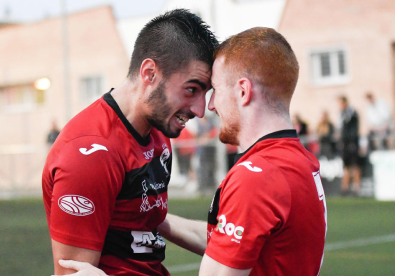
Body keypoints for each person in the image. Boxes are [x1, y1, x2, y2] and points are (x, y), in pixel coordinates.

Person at [60, 27, 327, 276]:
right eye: (194, 90)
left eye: (215, 90)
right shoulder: (302, 163)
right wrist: (147, 215)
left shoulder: (256, 177)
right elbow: (231, 239)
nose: (208, 106)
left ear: (243, 91)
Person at [42, 9, 218, 276]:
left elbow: (149, 220)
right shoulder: (90, 153)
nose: (200, 109)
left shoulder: (159, 133)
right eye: (191, 89)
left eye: (205, 93)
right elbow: (72, 273)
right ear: (149, 73)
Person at [338, 96, 361, 196]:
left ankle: (356, 188)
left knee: (355, 165)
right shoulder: (342, 114)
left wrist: (353, 141)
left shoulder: (351, 113)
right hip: (345, 144)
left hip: (352, 143)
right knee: (346, 166)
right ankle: (345, 188)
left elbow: (354, 129)